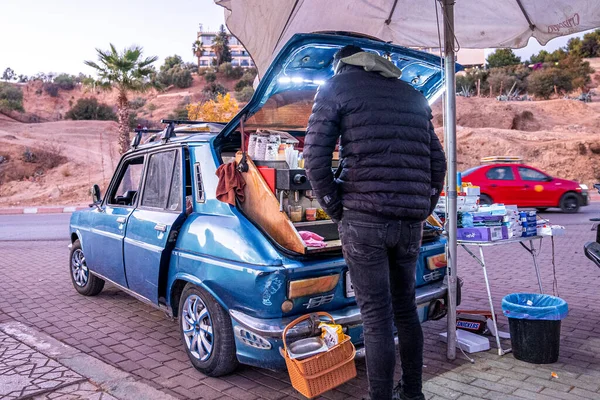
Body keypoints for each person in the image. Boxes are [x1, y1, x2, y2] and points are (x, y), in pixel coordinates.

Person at [304, 45, 447, 400]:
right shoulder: (413, 94)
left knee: (376, 316)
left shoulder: (336, 87)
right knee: (405, 308)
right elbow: (438, 163)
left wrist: (336, 208)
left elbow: (313, 158)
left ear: (341, 64)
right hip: (410, 223)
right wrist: (421, 205)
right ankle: (412, 394)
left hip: (363, 220)